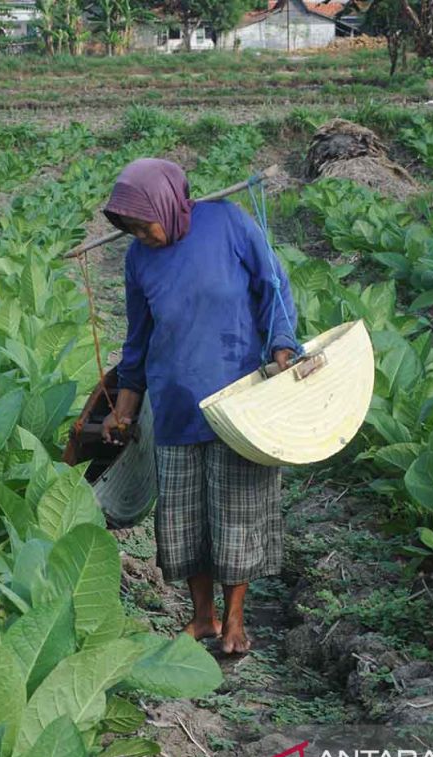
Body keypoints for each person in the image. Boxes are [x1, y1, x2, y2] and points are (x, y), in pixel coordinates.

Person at [100, 158, 298, 655]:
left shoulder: (228, 222)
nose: (140, 234)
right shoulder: (138, 260)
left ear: (169, 203)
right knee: (185, 522)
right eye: (129, 228)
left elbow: (273, 286)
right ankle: (202, 618)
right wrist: (124, 407)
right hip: (175, 404)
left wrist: (282, 348)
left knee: (236, 515)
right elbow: (138, 340)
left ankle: (235, 621)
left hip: (240, 400)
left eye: (144, 223)